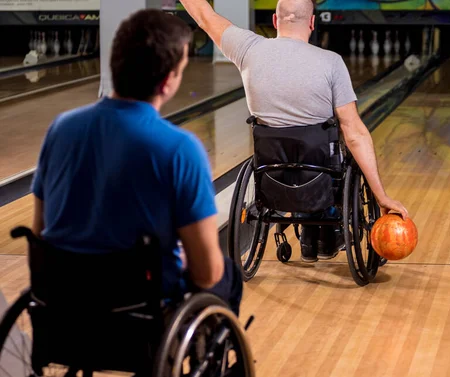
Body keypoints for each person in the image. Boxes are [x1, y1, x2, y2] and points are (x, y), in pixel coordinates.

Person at [30, 9, 243, 315]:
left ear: (114, 60)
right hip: (139, 303)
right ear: (168, 81)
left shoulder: (61, 128)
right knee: (226, 275)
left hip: (64, 300)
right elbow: (206, 274)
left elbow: (40, 231)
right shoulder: (180, 149)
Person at [179, 0, 409, 263]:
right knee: (339, 155)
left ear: (275, 22)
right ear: (312, 23)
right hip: (320, 176)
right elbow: (354, 133)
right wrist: (382, 196)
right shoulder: (331, 63)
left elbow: (204, 16)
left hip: (271, 174)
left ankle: (309, 234)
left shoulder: (248, 49)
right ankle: (323, 233)